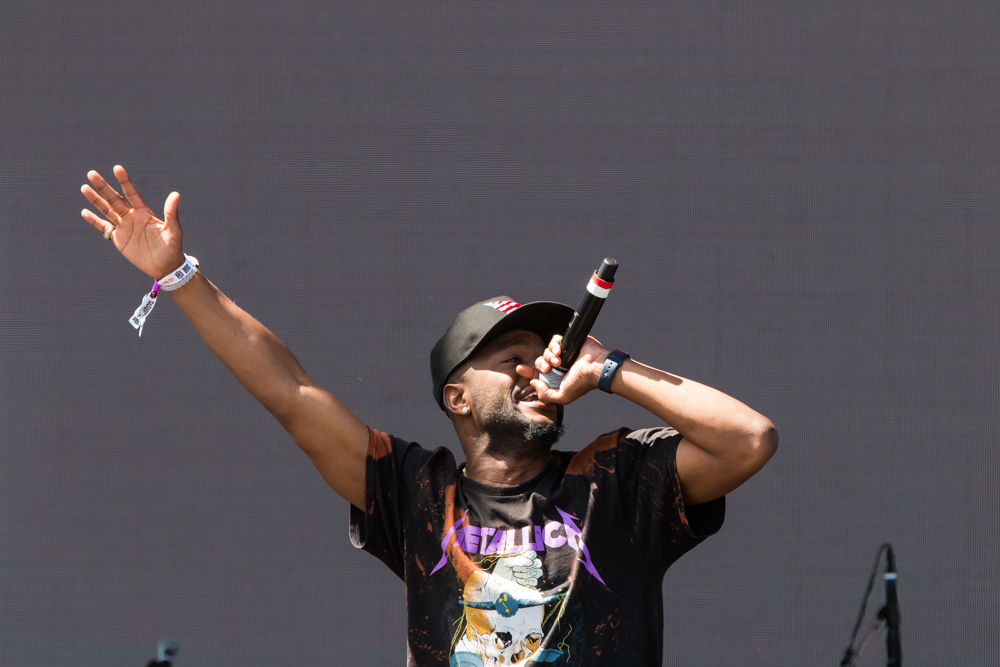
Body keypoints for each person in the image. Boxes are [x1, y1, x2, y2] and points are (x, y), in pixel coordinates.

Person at [81, 166, 778, 666]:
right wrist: (178, 277)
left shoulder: (617, 480)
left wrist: (613, 368)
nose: (533, 365)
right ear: (457, 396)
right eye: (509, 356)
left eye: (543, 354)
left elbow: (750, 439)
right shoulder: (415, 492)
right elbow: (288, 391)